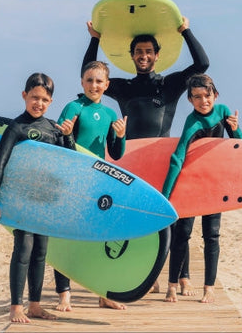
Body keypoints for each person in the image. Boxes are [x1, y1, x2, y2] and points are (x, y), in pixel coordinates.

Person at [83, 16, 210, 296]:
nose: (143, 56)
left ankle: (183, 274)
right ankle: (147, 275)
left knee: (173, 218)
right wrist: (94, 39)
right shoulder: (124, 87)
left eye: (148, 52)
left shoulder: (169, 85)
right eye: (138, 52)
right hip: (133, 162)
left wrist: (186, 30)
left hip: (163, 161)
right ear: (131, 56)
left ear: (157, 56)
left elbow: (202, 65)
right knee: (139, 221)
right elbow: (89, 73)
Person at [0, 73, 76, 324]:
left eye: (45, 99)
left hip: (44, 201)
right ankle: (16, 307)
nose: (39, 103)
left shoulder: (54, 129)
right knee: (23, 250)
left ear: (51, 101)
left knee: (40, 253)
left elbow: (70, 163)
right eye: (35, 97)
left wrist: (67, 136)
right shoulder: (17, 127)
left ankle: (34, 305)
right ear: (24, 96)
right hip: (21, 200)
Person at [161, 73, 242, 304]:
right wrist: (165, 196)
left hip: (213, 185)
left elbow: (241, 148)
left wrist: (235, 130)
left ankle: (209, 287)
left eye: (206, 96)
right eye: (196, 97)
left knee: (212, 236)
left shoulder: (224, 112)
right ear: (189, 99)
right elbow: (178, 158)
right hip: (190, 185)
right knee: (182, 234)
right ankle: (172, 286)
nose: (202, 101)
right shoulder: (192, 122)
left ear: (215, 95)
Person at [53, 60, 128, 312]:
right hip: (72, 179)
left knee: (101, 238)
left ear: (106, 85)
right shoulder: (73, 107)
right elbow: (60, 147)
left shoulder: (109, 114)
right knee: (66, 236)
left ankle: (102, 293)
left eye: (99, 81)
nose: (94, 85)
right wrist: (66, 133)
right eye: (89, 80)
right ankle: (64, 294)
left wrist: (120, 136)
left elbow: (115, 155)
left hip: (97, 182)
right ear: (82, 82)